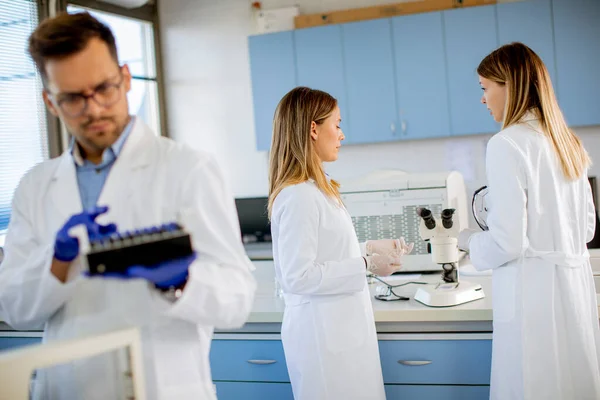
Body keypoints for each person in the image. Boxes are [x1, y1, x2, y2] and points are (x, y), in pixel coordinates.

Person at [0, 12, 256, 400]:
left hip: (159, 385)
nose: (94, 109)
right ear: (50, 102)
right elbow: (15, 309)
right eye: (73, 98)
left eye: (104, 88)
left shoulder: (188, 168)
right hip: (68, 388)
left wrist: (179, 280)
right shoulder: (35, 187)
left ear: (125, 77)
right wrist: (58, 262)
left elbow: (237, 298)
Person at [458, 42, 600, 400]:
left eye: (484, 88)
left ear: (508, 84)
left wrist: (467, 240)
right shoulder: (567, 142)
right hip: (574, 296)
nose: (482, 99)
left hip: (533, 301)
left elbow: (508, 242)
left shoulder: (507, 144)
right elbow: (586, 229)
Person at [268, 86, 412, 400]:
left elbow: (328, 252)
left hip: (340, 335)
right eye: (338, 124)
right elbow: (298, 276)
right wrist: (366, 264)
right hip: (322, 342)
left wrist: (370, 248)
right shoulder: (297, 196)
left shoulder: (317, 189)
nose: (342, 134)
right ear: (313, 129)